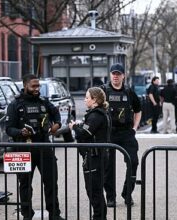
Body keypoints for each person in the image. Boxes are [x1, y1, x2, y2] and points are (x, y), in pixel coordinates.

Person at [5, 74, 64, 220]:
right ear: (25, 86)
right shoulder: (15, 105)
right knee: (25, 184)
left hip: (44, 146)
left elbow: (56, 115)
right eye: (34, 86)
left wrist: (57, 124)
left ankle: (54, 214)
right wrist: (20, 132)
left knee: (51, 183)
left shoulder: (44, 102)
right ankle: (27, 214)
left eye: (38, 86)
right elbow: (8, 129)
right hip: (23, 149)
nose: (37, 88)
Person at [101, 63, 142, 207]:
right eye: (113, 74)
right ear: (110, 75)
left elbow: (138, 110)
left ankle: (127, 194)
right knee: (108, 166)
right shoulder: (103, 91)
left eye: (118, 74)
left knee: (133, 162)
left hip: (126, 133)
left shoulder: (129, 92)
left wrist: (135, 128)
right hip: (109, 133)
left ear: (123, 76)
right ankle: (110, 197)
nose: (116, 76)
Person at [68, 87, 111, 220]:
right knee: (94, 190)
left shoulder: (96, 115)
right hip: (96, 157)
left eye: (87, 97)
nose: (85, 100)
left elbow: (84, 133)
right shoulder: (98, 113)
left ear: (95, 100)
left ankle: (99, 217)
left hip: (95, 158)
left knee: (94, 191)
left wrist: (74, 127)